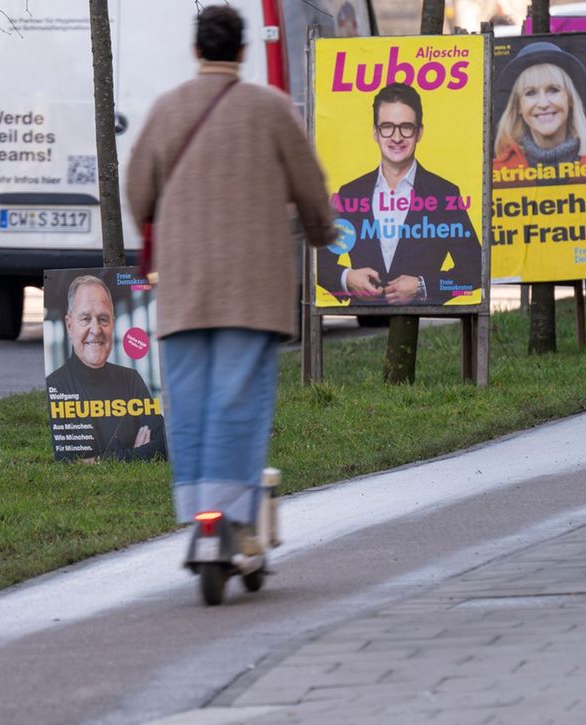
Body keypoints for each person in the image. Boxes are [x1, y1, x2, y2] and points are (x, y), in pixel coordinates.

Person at [126, 5, 334, 552]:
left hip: (183, 286)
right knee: (239, 399)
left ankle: (198, 513)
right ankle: (235, 516)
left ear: (196, 50)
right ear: (243, 52)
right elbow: (311, 184)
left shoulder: (168, 109)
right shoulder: (271, 109)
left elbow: (138, 193)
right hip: (253, 289)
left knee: (189, 400)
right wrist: (319, 231)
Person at [316, 83, 481, 305]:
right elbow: (319, 264)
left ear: (419, 132)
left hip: (423, 326)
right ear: (375, 132)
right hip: (366, 322)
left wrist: (423, 286)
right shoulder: (350, 193)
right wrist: (347, 278)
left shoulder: (443, 193)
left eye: (406, 127)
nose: (396, 137)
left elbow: (474, 271)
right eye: (387, 127)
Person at [45, 275, 165, 462]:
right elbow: (64, 462)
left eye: (103, 319)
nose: (96, 329)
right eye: (85, 319)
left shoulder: (130, 379)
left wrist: (100, 460)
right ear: (70, 326)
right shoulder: (54, 386)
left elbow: (163, 445)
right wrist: (136, 455)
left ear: (113, 323)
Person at [492, 42, 586, 181]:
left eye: (553, 90)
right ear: (518, 106)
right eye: (530, 93)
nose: (543, 104)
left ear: (570, 99)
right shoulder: (498, 173)